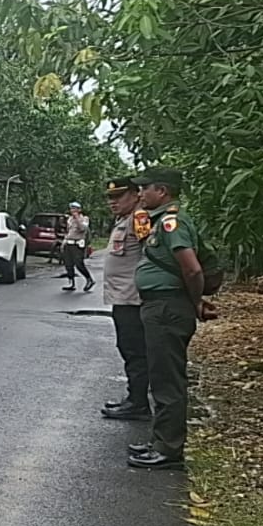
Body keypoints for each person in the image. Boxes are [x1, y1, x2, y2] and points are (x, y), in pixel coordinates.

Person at [129, 167, 213, 470]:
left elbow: (191, 269)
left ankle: (169, 449)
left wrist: (195, 302)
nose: (140, 194)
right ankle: (160, 440)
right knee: (161, 375)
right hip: (161, 306)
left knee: (168, 380)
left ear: (162, 191)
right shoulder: (159, 222)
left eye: (145, 188)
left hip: (167, 308)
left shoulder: (171, 223)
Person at [100, 177, 150, 422]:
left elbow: (150, 254)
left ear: (136, 194)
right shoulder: (124, 220)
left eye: (118, 196)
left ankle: (138, 402)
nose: (113, 202)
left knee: (135, 351)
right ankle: (135, 399)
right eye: (110, 197)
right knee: (128, 348)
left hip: (133, 298)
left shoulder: (140, 219)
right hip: (122, 298)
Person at [61, 201, 94, 291]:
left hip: (78, 245)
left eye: (75, 209)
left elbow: (83, 229)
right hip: (69, 243)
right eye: (72, 208)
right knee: (68, 264)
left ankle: (89, 279)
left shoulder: (84, 219)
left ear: (79, 210)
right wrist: (64, 242)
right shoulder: (70, 219)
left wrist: (77, 219)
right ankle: (71, 283)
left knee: (79, 264)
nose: (73, 210)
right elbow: (68, 232)